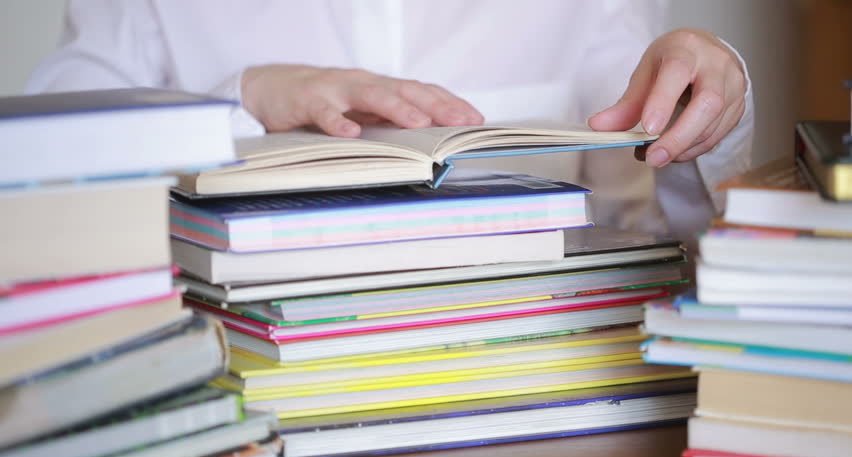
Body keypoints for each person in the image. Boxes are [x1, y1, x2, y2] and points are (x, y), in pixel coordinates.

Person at [28, 0, 753, 246]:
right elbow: (36, 150)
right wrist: (237, 100)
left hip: (527, 389)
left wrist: (709, 96)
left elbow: (659, 199)